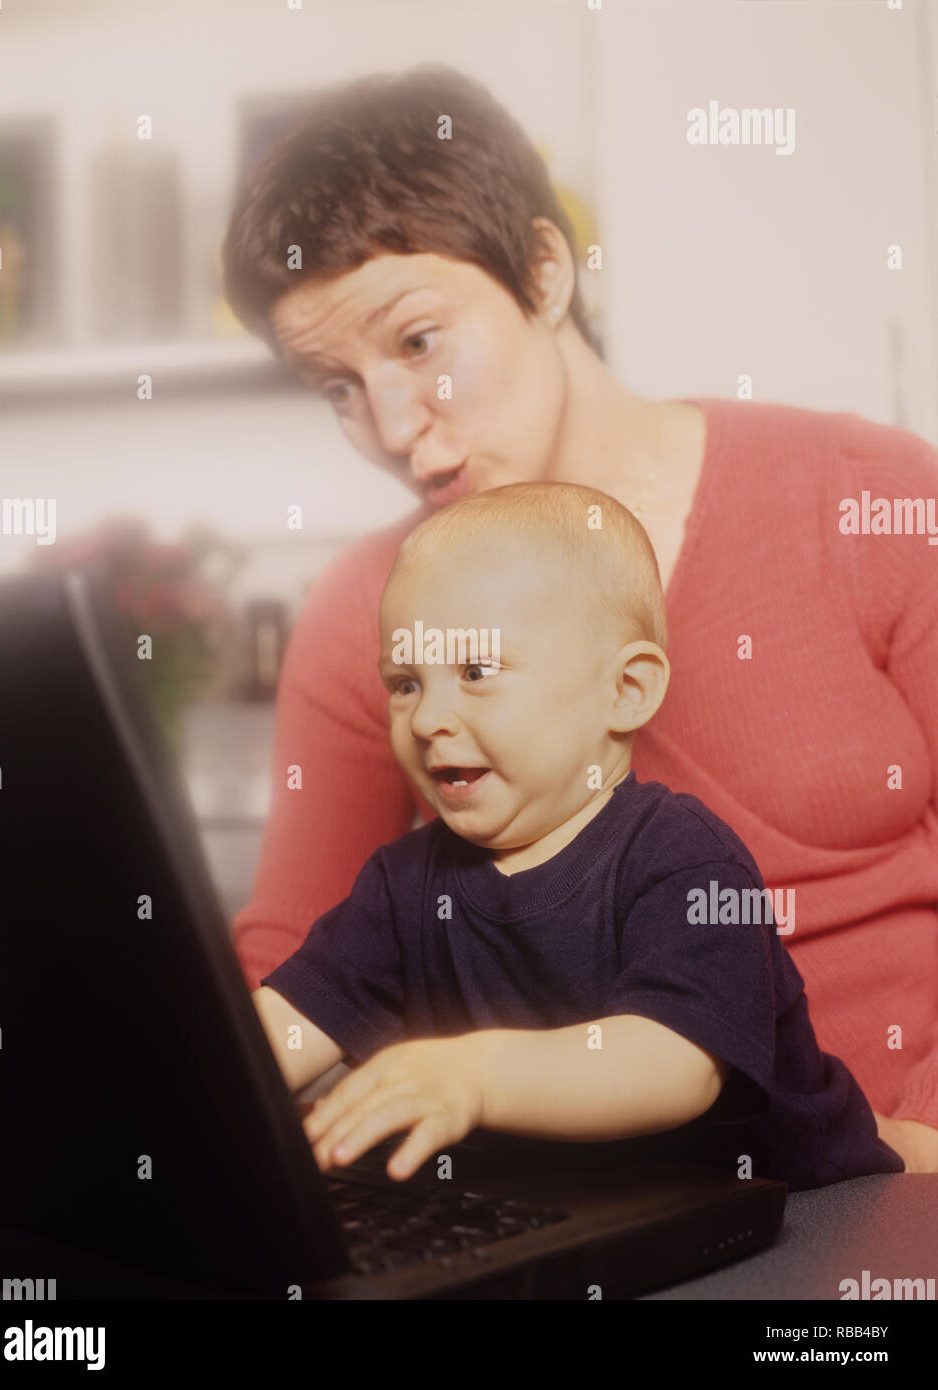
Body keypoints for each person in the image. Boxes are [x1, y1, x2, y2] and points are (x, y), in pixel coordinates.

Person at [221, 65, 938, 1172]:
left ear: (545, 274)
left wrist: (921, 1146)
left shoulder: (875, 499)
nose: (392, 425)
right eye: (337, 387)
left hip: (878, 1170)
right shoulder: (367, 611)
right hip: (595, 1183)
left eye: (417, 344)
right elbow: (300, 953)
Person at [253, 482, 903, 1192]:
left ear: (625, 691)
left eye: (475, 672)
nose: (427, 716)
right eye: (404, 682)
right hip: (583, 1223)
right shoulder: (401, 885)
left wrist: (474, 1075)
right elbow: (288, 1026)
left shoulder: (688, 861)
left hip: (798, 1216)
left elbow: (674, 1065)